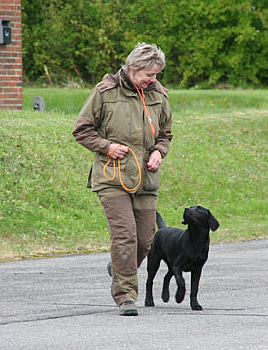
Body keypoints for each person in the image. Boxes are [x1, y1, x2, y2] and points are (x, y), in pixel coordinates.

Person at [73, 43, 173, 315]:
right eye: (149, 75)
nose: (154, 80)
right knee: (125, 237)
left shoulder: (159, 95)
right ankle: (125, 296)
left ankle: (119, 268)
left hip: (146, 178)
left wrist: (158, 152)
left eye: (156, 75)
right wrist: (106, 146)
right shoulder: (104, 93)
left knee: (145, 240)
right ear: (133, 68)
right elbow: (82, 130)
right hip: (112, 176)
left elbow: (165, 133)